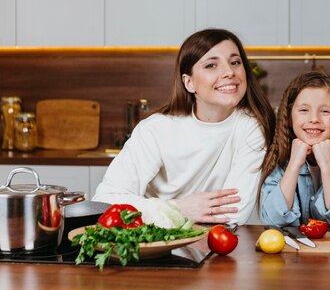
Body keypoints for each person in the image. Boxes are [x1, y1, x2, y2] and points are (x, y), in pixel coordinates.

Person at [93, 28, 275, 225]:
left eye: (235, 62)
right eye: (212, 65)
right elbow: (105, 200)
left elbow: (232, 214)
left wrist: (157, 212)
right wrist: (179, 208)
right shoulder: (156, 129)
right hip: (152, 244)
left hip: (212, 246)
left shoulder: (251, 128)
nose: (229, 72)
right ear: (189, 83)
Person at [259, 71, 330, 228]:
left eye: (325, 111)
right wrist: (294, 165)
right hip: (293, 250)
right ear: (290, 118)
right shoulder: (279, 151)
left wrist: (327, 166)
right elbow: (273, 219)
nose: (314, 119)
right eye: (304, 110)